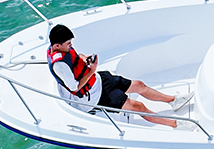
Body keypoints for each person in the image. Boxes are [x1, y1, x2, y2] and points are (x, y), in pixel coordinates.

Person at [46, 24, 193, 129]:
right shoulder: (59, 65)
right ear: (57, 46)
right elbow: (74, 87)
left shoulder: (63, 48)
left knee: (139, 85)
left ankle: (173, 101)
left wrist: (84, 59)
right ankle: (175, 124)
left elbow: (76, 57)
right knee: (138, 106)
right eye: (68, 44)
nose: (71, 46)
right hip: (93, 97)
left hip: (97, 80)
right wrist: (92, 70)